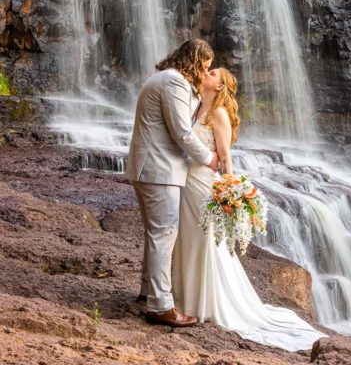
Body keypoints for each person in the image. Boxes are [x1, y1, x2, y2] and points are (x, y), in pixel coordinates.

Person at [173, 67, 327, 351]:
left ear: (219, 87)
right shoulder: (195, 109)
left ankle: (207, 303)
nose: (207, 72)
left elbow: (226, 156)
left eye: (213, 72)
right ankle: (185, 298)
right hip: (188, 181)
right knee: (189, 239)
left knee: (205, 241)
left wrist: (230, 190)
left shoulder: (217, 114)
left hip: (204, 183)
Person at [126, 39, 219, 328]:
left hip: (152, 168)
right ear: (192, 62)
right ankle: (161, 306)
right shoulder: (174, 83)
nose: (205, 74)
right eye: (203, 67)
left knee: (156, 233)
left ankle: (148, 292)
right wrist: (209, 159)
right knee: (164, 233)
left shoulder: (166, 78)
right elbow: (182, 132)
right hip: (159, 170)